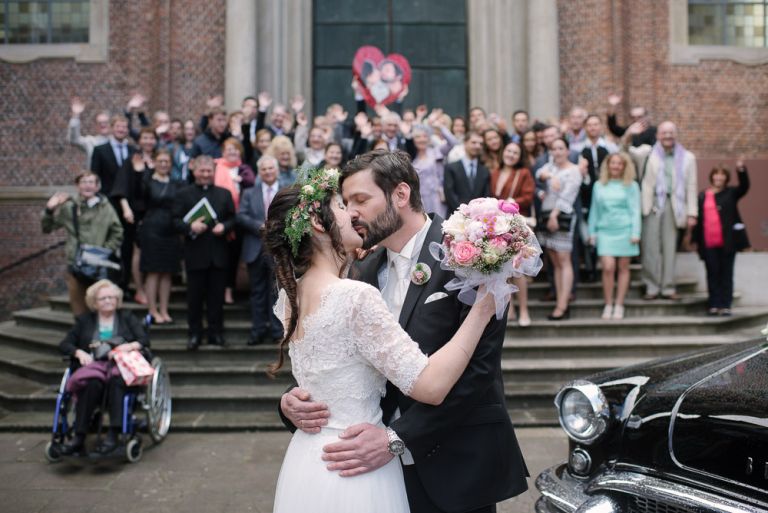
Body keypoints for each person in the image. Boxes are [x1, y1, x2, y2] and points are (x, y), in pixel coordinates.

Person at [278, 150, 529, 513]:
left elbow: (479, 370)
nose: (352, 213)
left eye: (360, 199)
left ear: (400, 194)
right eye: (345, 204)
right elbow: (338, 357)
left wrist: (398, 438)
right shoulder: (356, 274)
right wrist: (293, 401)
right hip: (368, 470)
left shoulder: (471, 256)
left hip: (455, 466)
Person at [57, 280, 148, 456]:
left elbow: (144, 340)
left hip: (120, 366)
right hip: (93, 366)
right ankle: (79, 436)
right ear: (94, 302)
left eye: (111, 297)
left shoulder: (127, 317)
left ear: (117, 299)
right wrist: (79, 353)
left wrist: (127, 347)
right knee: (90, 383)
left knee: (116, 381)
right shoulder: (85, 321)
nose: (108, 301)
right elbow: (65, 344)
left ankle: (113, 433)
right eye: (103, 298)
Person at [625, 121, 698, 300]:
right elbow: (624, 152)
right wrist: (628, 135)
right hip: (651, 204)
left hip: (674, 205)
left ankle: (668, 287)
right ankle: (651, 286)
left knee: (669, 248)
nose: (668, 136)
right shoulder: (646, 153)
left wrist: (692, 213)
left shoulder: (688, 157)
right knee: (650, 247)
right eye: (664, 132)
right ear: (657, 135)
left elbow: (691, 186)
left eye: (671, 132)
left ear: (676, 134)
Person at [172, 155, 236, 349]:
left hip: (218, 254)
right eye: (202, 171)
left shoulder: (224, 194)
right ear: (194, 171)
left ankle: (216, 334)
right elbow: (174, 221)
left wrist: (224, 227)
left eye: (209, 171)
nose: (206, 174)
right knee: (194, 299)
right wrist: (190, 226)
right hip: (195, 254)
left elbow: (233, 218)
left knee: (217, 298)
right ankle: (195, 335)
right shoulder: (183, 194)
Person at [42, 173, 123, 316]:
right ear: (77, 186)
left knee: (102, 306)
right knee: (79, 309)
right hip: (76, 264)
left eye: (91, 182)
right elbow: (47, 228)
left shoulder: (105, 207)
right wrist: (49, 210)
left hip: (99, 265)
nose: (87, 185)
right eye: (84, 182)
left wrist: (105, 250)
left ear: (97, 187)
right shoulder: (69, 207)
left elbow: (118, 232)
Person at [237, 155, 285, 346]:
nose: (267, 172)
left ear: (277, 170)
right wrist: (260, 226)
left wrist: (276, 226)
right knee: (257, 292)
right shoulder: (249, 193)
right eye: (264, 169)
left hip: (279, 249)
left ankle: (276, 330)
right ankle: (257, 331)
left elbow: (294, 214)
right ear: (259, 172)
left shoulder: (285, 190)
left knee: (277, 292)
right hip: (254, 249)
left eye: (270, 168)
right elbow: (241, 216)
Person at [693, 161, 750, 316]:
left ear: (726, 178)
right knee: (712, 273)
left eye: (722, 175)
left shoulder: (731, 193)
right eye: (716, 174)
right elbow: (699, 219)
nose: (718, 177)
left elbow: (744, 187)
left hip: (727, 242)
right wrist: (693, 240)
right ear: (712, 176)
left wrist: (741, 170)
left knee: (726, 274)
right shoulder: (703, 195)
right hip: (708, 242)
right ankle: (714, 304)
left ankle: (725, 305)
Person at [588, 153, 641, 320]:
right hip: (605, 231)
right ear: (608, 165)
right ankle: (608, 304)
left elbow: (635, 210)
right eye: (613, 163)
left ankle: (619, 304)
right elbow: (594, 210)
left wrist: (636, 232)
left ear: (624, 166)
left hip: (625, 230)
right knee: (608, 267)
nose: (616, 166)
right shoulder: (598, 185)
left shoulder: (631, 185)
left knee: (624, 268)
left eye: (619, 163)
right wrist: (592, 232)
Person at [536, 138, 582, 320]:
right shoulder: (550, 167)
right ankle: (559, 301)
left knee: (564, 259)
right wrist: (550, 176)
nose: (557, 152)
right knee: (554, 260)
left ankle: (563, 306)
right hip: (546, 214)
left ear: (567, 151)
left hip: (561, 216)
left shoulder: (574, 170)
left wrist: (555, 215)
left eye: (561, 148)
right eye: (554, 149)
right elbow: (539, 173)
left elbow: (568, 196)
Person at [490, 142, 535, 326]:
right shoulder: (495, 172)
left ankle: (524, 309)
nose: (511, 155)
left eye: (515, 152)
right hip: (498, 224)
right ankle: (511, 309)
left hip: (516, 224)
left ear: (519, 156)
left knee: (518, 269)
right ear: (503, 152)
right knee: (504, 268)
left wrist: (512, 202)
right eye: (508, 151)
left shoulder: (523, 173)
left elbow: (529, 196)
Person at [138, 148, 182, 324]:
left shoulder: (177, 183)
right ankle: (152, 310)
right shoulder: (147, 182)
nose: (164, 164)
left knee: (167, 272)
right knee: (153, 271)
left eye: (167, 161)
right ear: (154, 162)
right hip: (152, 229)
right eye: (160, 161)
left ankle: (164, 310)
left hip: (171, 230)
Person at [215, 137, 256, 304]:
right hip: (219, 218)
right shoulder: (216, 167)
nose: (232, 152)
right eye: (228, 149)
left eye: (235, 148)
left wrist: (241, 180)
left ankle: (229, 290)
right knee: (219, 257)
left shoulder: (244, 169)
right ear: (223, 152)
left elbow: (251, 183)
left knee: (233, 257)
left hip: (239, 219)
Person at [406, 121, 457, 217]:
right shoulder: (412, 159)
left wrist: (440, 127)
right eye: (418, 137)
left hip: (437, 198)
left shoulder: (436, 152)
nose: (421, 139)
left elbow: (453, 142)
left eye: (424, 136)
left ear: (429, 138)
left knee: (439, 222)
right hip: (420, 199)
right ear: (413, 140)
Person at [443, 131, 490, 214]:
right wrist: (463, 213)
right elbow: (449, 194)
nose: (477, 146)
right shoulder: (451, 167)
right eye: (473, 142)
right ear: (465, 143)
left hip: (478, 217)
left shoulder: (485, 170)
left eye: (481, 144)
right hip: (455, 215)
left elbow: (486, 196)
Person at [90, 114, 134, 203]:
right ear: (111, 128)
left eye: (124, 127)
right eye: (118, 126)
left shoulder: (134, 151)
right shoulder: (100, 150)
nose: (121, 130)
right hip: (107, 198)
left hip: (130, 198)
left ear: (128, 130)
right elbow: (95, 175)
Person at [67, 97, 110, 168]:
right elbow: (74, 139)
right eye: (100, 123)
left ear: (110, 124)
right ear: (95, 126)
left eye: (105, 122)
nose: (103, 125)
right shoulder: (90, 141)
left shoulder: (116, 142)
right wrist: (75, 116)